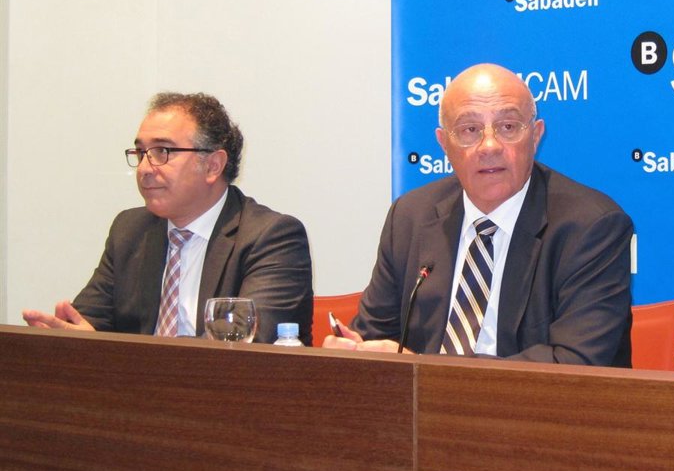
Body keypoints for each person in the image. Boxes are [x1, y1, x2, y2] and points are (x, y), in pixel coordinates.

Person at [327, 63, 633, 365]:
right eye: (469, 130)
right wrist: (351, 351)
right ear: (444, 144)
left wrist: (429, 371)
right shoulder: (411, 216)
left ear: (536, 135)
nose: (489, 146)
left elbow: (575, 363)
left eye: (508, 127)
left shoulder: (590, 227)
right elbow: (374, 335)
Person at [22, 92, 314, 344]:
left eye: (162, 151)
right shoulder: (130, 230)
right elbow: (90, 324)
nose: (144, 169)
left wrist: (124, 357)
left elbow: (241, 343)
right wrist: (71, 338)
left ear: (213, 165)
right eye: (141, 152)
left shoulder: (271, 237)